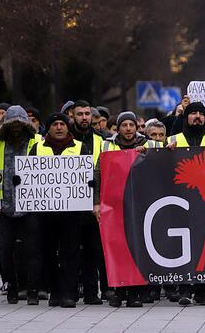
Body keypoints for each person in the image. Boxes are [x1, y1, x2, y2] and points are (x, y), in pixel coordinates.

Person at [97, 111, 162, 307]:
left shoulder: (148, 144)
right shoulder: (108, 145)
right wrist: (96, 203)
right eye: (124, 125)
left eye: (131, 125)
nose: (128, 129)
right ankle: (118, 290)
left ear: (136, 127)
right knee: (117, 246)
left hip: (142, 204)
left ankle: (135, 292)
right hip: (114, 204)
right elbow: (99, 173)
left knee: (137, 246)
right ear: (118, 127)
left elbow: (164, 161)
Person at [166, 102, 205, 305]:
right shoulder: (173, 139)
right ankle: (184, 289)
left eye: (201, 113)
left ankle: (202, 291)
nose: (198, 117)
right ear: (186, 117)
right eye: (193, 113)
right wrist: (167, 153)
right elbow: (163, 168)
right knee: (183, 246)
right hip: (181, 202)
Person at [29, 112, 86, 308]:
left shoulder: (80, 147)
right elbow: (29, 176)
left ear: (68, 127)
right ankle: (55, 290)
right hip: (46, 213)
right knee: (48, 252)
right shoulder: (37, 148)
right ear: (49, 128)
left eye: (62, 123)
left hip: (71, 213)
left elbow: (87, 174)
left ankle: (69, 292)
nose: (59, 127)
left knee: (70, 252)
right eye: (55, 124)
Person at [0, 105, 43, 305]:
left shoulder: (38, 143)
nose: (16, 129)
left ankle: (32, 290)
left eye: (19, 124)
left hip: (31, 207)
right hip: (5, 207)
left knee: (34, 250)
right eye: (11, 125)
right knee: (5, 250)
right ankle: (12, 287)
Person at [70, 101, 109, 305]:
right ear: (72, 115)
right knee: (72, 250)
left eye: (87, 114)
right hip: (70, 205)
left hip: (95, 203)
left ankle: (93, 292)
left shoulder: (101, 142)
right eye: (80, 114)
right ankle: (74, 290)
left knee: (95, 250)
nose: (84, 117)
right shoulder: (66, 139)